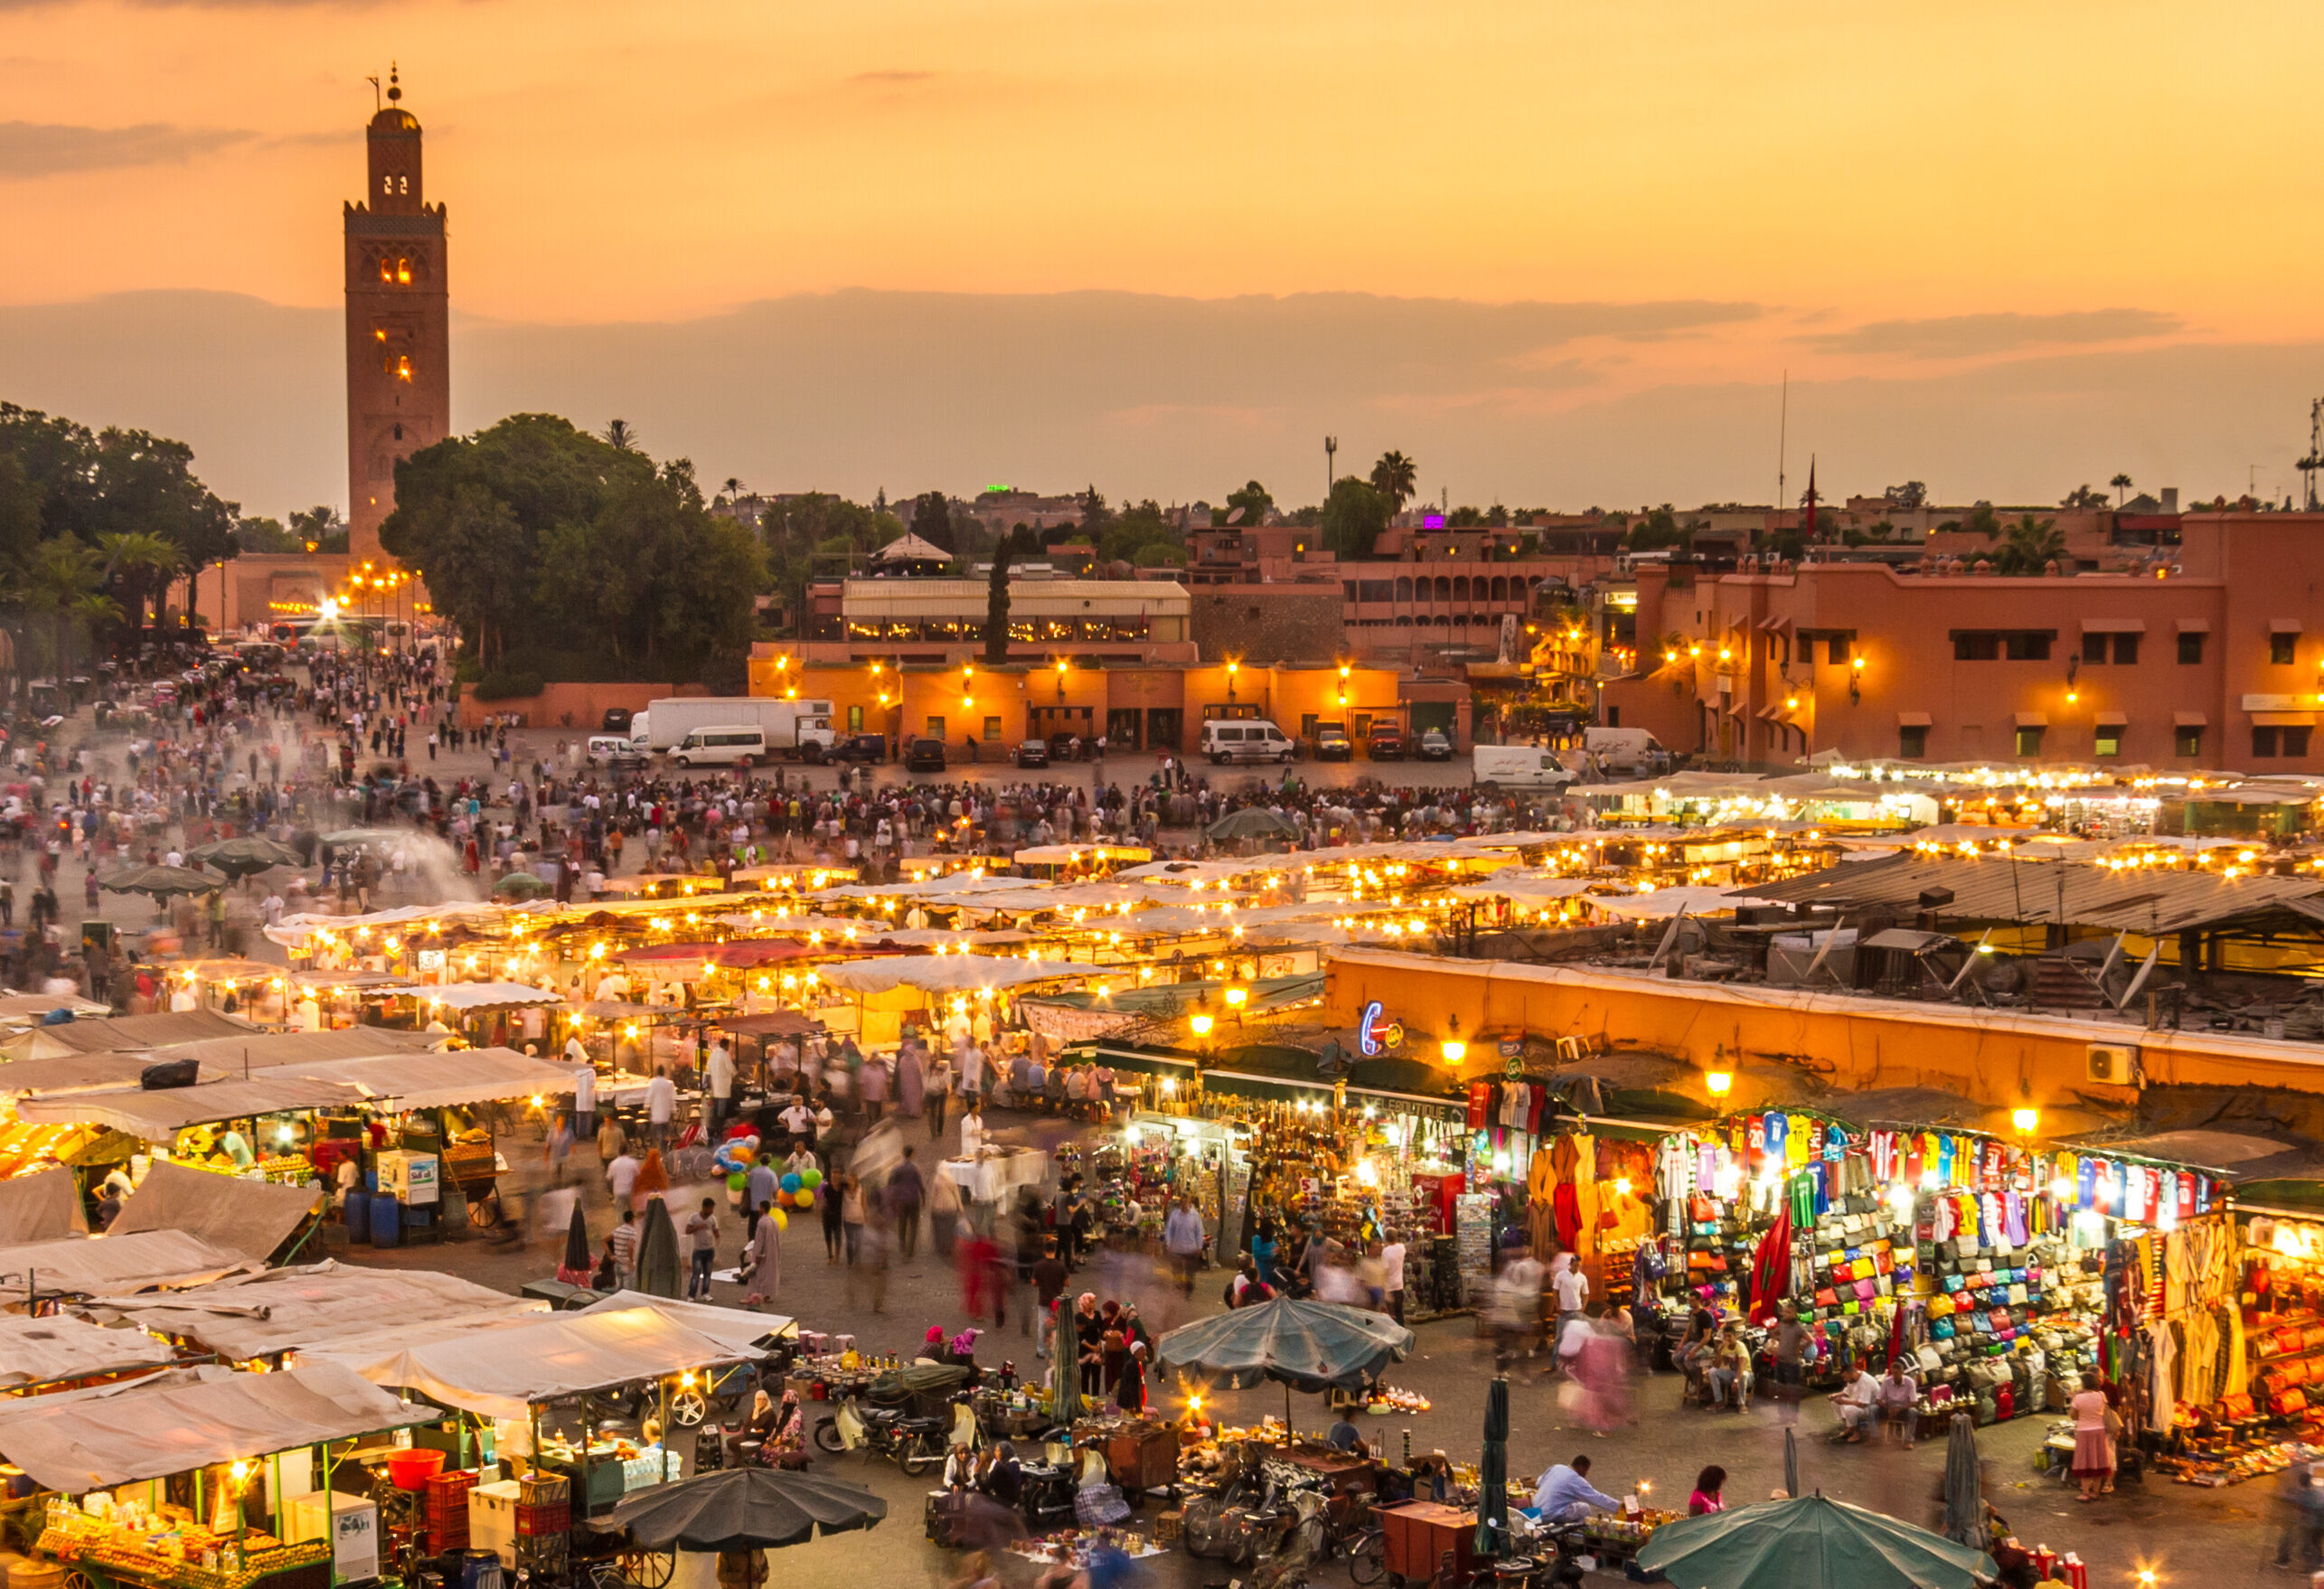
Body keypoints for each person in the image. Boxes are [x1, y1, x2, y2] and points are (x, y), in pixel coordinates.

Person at [1530, 1455, 1620, 1523]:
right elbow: (1597, 1498)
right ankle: (1577, 1534)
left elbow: (1538, 1482)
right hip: (1549, 1514)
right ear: (1581, 1467)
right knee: (1585, 1508)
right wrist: (1618, 1506)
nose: (1586, 1474)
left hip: (1536, 1508)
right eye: (1586, 1470)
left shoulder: (1557, 1467)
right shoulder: (1576, 1480)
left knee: (1574, 1504)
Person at [2069, 1371, 2116, 1500]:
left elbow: (2073, 1415)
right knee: (2098, 1461)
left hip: (2084, 1432)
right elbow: (2103, 1411)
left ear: (2083, 1383)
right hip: (2100, 1432)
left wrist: (2075, 1398)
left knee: (2085, 1462)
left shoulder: (2078, 1398)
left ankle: (2085, 1493)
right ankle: (2096, 1492)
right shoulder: (2101, 1395)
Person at [740, 1204, 782, 1312]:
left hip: (763, 1253)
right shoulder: (774, 1221)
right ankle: (767, 1296)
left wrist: (757, 1254)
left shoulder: (762, 1222)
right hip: (773, 1252)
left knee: (757, 1275)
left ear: (762, 1208)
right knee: (771, 1274)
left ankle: (752, 1297)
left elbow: (759, 1240)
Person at [889, 1144, 926, 1260]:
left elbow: (890, 1183)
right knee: (913, 1226)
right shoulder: (914, 1169)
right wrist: (923, 1197)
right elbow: (920, 1184)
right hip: (913, 1199)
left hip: (901, 1200)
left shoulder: (897, 1169)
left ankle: (902, 1247)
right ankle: (910, 1251)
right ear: (912, 1154)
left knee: (902, 1225)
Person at [1163, 1197, 1204, 1296]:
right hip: (1177, 1249)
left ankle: (1188, 1293)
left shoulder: (1195, 1216)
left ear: (1189, 1203)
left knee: (1190, 1274)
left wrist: (1199, 1246)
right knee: (1177, 1273)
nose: (1184, 1205)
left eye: (1186, 1202)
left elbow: (1199, 1232)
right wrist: (1168, 1243)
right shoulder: (1174, 1215)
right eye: (1182, 1203)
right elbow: (1169, 1230)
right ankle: (1178, 1292)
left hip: (1191, 1249)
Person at [1834, 1363, 1882, 1442]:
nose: (1844, 1380)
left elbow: (1863, 1404)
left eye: (1845, 1377)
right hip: (1859, 1402)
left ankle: (1857, 1433)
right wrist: (1835, 1395)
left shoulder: (1865, 1381)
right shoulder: (1852, 1379)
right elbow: (1848, 1391)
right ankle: (1850, 1427)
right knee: (1835, 1402)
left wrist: (1844, 1401)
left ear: (1852, 1373)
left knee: (1849, 1409)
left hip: (1871, 1407)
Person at [684, 1195, 720, 1300]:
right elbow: (687, 1231)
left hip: (710, 1250)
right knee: (696, 1273)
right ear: (705, 1207)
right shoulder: (694, 1217)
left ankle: (705, 1293)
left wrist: (717, 1235)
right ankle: (691, 1295)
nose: (712, 1211)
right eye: (711, 1208)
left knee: (708, 1273)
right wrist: (697, 1227)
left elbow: (716, 1231)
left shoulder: (712, 1219)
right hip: (698, 1250)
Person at [1879, 1359, 1921, 1447]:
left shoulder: (1910, 1382)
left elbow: (1914, 1402)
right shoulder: (1886, 1381)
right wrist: (1887, 1408)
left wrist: (1899, 1409)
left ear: (1902, 1373)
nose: (1894, 1376)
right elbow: (1878, 1399)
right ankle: (1875, 1438)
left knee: (1913, 1412)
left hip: (1903, 1409)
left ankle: (1908, 1441)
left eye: (1896, 1374)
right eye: (1892, 1373)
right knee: (1873, 1409)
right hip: (1889, 1409)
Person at [645, 1067, 677, 1151]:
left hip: (656, 1112)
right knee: (665, 1132)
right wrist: (673, 1109)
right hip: (665, 1112)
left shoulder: (653, 1083)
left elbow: (649, 1095)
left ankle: (656, 1148)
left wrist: (646, 1106)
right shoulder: (668, 1083)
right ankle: (664, 1148)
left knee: (656, 1132)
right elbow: (672, 1097)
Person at [608, 1207, 640, 1291]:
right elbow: (630, 1246)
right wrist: (630, 1261)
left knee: (619, 1289)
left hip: (617, 1263)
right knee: (628, 1291)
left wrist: (610, 1255)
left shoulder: (618, 1230)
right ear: (632, 1219)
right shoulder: (632, 1232)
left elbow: (604, 1241)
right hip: (626, 1264)